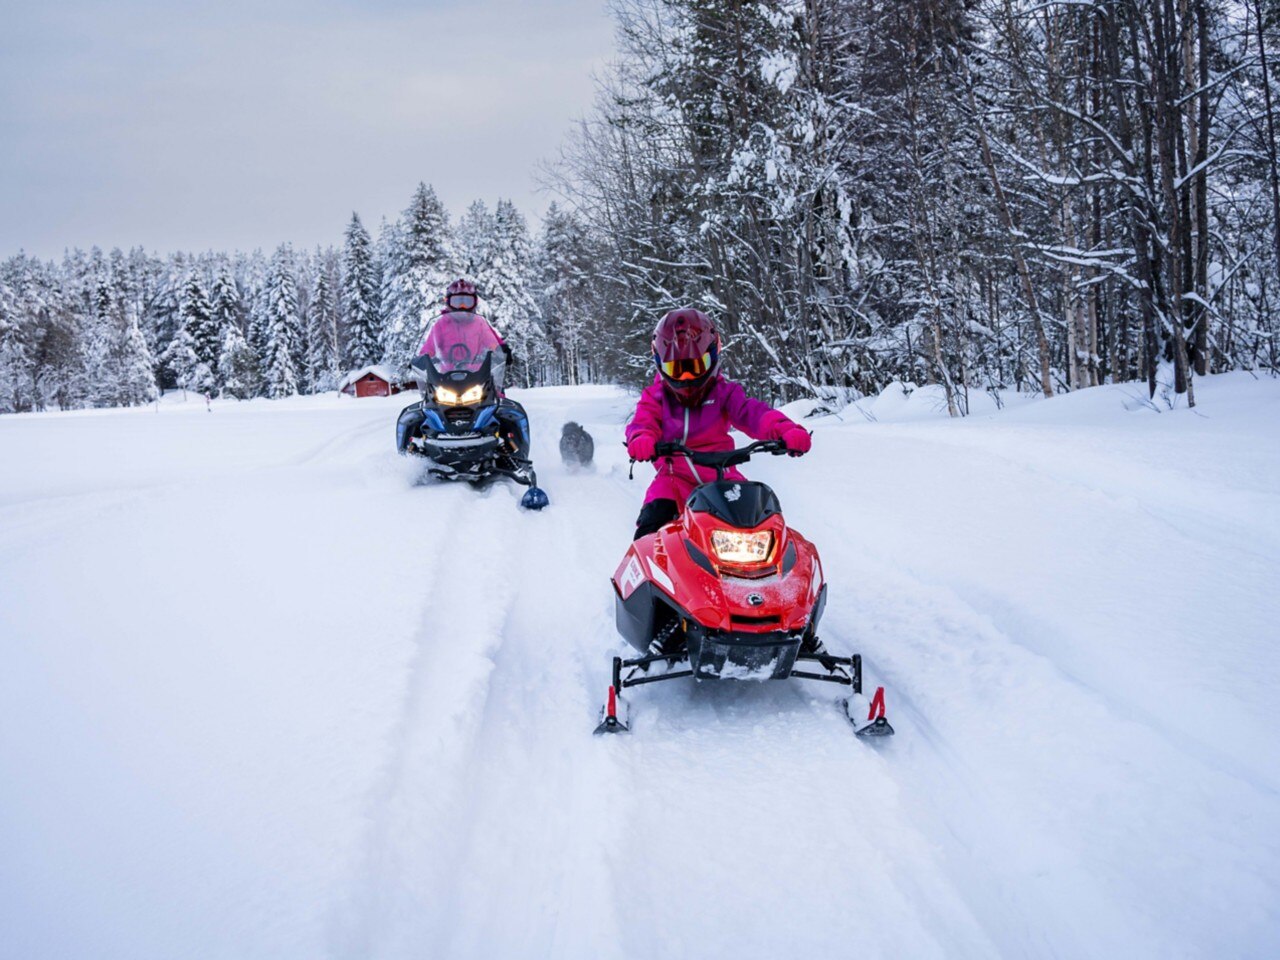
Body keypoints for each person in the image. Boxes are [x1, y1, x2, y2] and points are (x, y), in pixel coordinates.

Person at [625, 307, 812, 540]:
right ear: (661, 365)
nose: (687, 378)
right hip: (673, 483)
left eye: (696, 366)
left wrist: (786, 429)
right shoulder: (656, 397)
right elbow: (643, 421)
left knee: (765, 528)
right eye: (676, 369)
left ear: (713, 356)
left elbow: (753, 413)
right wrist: (641, 438)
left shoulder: (725, 393)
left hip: (723, 481)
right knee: (649, 535)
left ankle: (784, 574)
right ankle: (645, 576)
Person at [396, 279, 530, 463]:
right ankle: (414, 454)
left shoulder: (480, 325)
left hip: (477, 375)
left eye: (466, 301)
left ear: (474, 302)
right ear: (448, 301)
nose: (461, 306)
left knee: (502, 404)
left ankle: (513, 452)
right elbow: (427, 349)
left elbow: (494, 341)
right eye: (457, 301)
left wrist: (502, 351)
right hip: (444, 378)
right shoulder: (440, 325)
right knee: (425, 408)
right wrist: (419, 361)